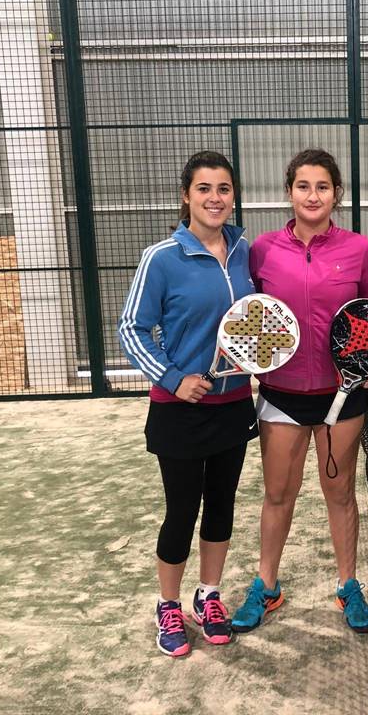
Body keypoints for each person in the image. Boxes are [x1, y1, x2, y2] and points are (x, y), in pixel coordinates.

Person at [230, 148, 368, 634]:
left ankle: (348, 585)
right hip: (281, 394)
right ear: (289, 192)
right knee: (278, 494)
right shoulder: (262, 250)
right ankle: (266, 585)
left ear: (337, 194)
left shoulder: (359, 249)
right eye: (303, 186)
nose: (312, 196)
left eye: (322, 187)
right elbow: (249, 318)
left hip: (343, 396)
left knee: (340, 493)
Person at [117, 151, 257, 656]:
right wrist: (174, 379)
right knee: (182, 510)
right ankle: (169, 605)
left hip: (233, 403)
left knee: (221, 506)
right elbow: (131, 329)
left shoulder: (244, 252)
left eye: (223, 189)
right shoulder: (162, 258)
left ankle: (209, 596)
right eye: (204, 188)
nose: (215, 198)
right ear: (186, 195)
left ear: (233, 196)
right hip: (179, 409)